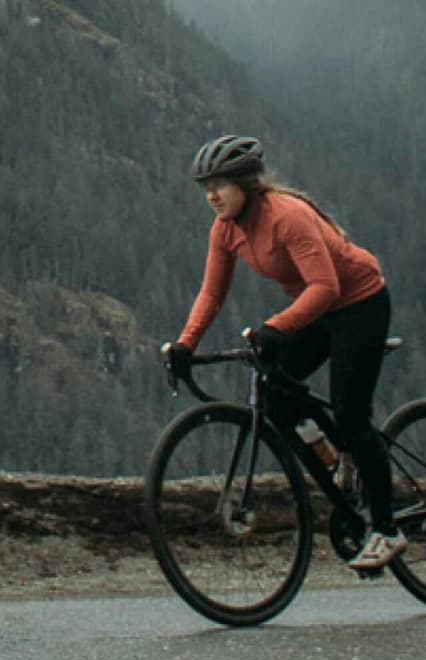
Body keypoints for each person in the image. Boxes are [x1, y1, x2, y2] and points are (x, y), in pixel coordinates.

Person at [160, 134, 408, 570]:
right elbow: (212, 293)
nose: (212, 196)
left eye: (220, 185)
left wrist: (275, 327)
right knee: (274, 393)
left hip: (359, 304)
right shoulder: (226, 229)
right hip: (317, 307)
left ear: (246, 183)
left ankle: (387, 531)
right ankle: (336, 455)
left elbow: (328, 286)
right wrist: (186, 343)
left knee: (352, 413)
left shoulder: (286, 217)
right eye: (206, 188)